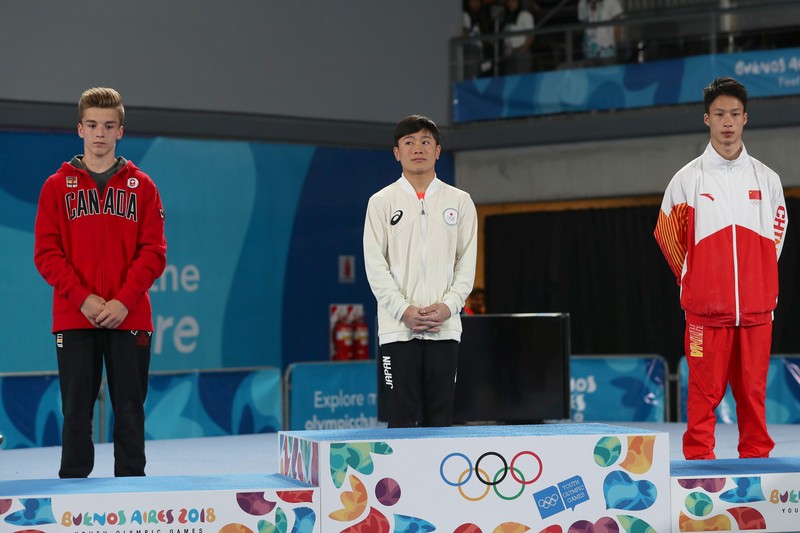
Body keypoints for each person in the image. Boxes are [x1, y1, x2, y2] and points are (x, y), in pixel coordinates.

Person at [34, 87, 167, 477]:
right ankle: (72, 496)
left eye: (109, 126)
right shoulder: (56, 187)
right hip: (76, 316)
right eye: (92, 125)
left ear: (120, 132)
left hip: (130, 316)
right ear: (79, 129)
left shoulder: (142, 187)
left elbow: (154, 252)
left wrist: (123, 301)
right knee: (76, 410)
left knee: (130, 409)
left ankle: (132, 491)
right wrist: (83, 299)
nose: (100, 133)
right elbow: (46, 254)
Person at [654, 77, 787, 460]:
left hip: (757, 310)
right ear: (706, 120)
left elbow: (777, 234)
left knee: (753, 392)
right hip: (704, 313)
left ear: (745, 118)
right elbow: (668, 235)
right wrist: (698, 281)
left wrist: (756, 279)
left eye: (733, 114)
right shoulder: (687, 180)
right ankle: (697, 466)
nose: (727, 122)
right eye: (719, 114)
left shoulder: (767, 179)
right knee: (702, 392)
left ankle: (757, 460)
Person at [364, 115, 478, 428]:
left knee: (440, 418)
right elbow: (375, 265)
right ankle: (396, 478)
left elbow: (466, 265)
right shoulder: (381, 203)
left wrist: (449, 306)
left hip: (444, 327)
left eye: (426, 141)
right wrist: (403, 310)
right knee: (400, 415)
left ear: (438, 151)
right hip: (398, 329)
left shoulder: (461, 202)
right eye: (409, 142)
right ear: (396, 152)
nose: (418, 148)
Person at [577, 0, 623, 65]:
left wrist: (617, 44)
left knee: (608, 73)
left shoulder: (612, 1)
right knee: (591, 74)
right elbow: (582, 24)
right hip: (588, 52)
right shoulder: (582, 3)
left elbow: (618, 25)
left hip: (608, 52)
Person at [501, 0, 535, 75]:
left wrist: (521, 51)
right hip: (508, 53)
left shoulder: (525, 15)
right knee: (510, 80)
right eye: (509, 1)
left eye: (513, 1)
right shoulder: (507, 17)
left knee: (522, 79)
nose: (510, 3)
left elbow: (531, 36)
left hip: (520, 50)